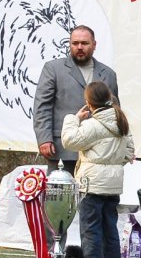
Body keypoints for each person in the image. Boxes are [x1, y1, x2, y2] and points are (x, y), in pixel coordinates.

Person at [61, 81, 134, 258]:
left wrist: (73, 119)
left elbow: (69, 141)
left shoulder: (93, 125)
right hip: (113, 185)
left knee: (91, 232)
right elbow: (129, 152)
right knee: (110, 231)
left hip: (92, 184)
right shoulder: (122, 123)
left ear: (88, 102)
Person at [33, 25, 119, 177]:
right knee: (61, 199)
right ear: (70, 44)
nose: (79, 47)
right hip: (63, 148)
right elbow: (42, 107)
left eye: (84, 43)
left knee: (92, 199)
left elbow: (115, 113)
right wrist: (44, 139)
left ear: (94, 44)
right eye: (75, 43)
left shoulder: (109, 74)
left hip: (99, 153)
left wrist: (121, 144)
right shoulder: (53, 69)